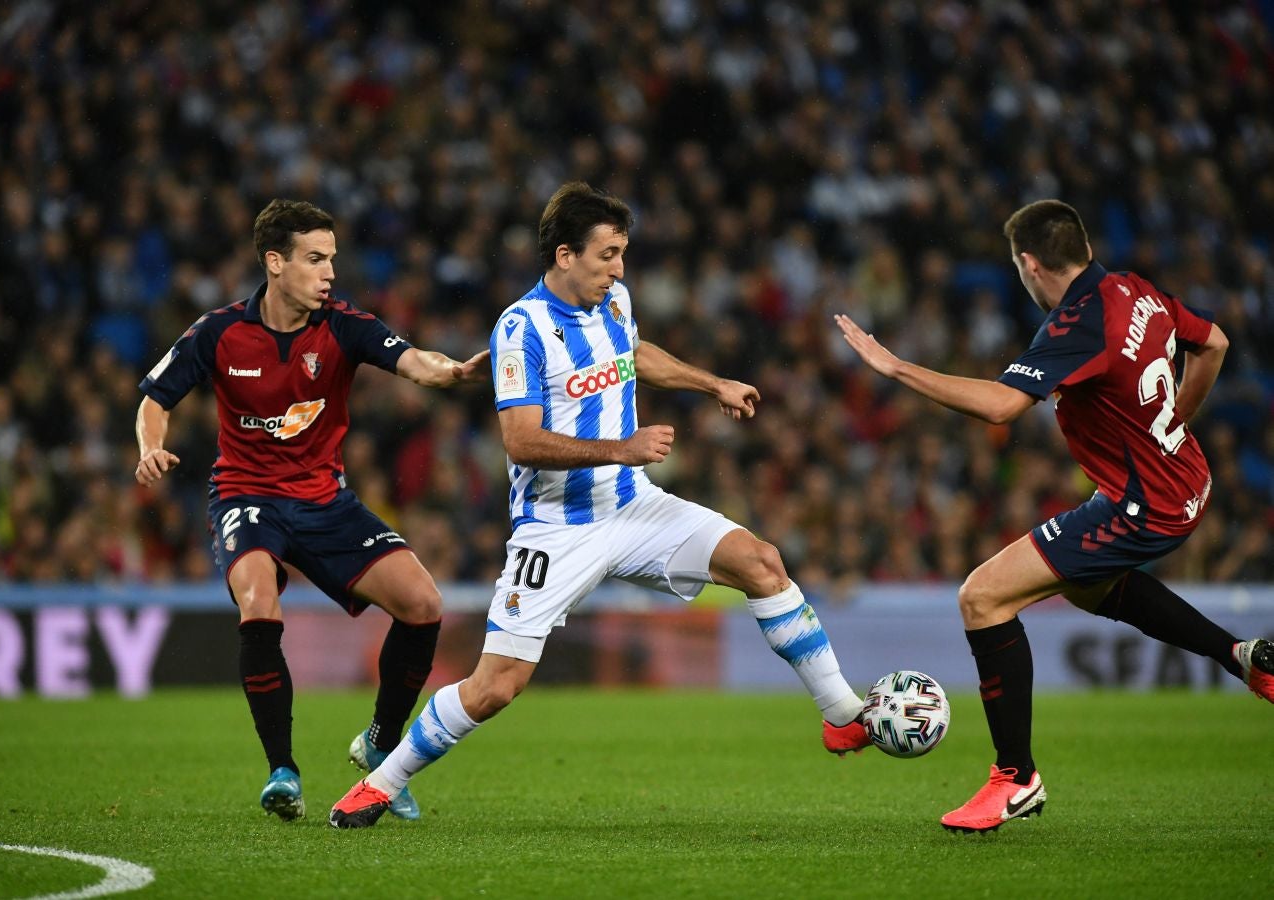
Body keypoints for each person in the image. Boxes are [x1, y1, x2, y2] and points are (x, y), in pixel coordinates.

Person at [328, 181, 869, 829]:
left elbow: (632, 355)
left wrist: (710, 383)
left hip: (633, 505)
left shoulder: (615, 301)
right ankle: (380, 784)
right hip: (556, 527)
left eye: (622, 254)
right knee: (496, 686)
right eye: (608, 254)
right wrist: (622, 446)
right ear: (564, 255)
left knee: (760, 561)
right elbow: (521, 440)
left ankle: (841, 715)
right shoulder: (520, 328)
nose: (619, 268)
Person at [834, 199, 1273, 834]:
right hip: (1186, 479)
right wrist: (1171, 422)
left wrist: (896, 366)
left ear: (1030, 264)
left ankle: (1016, 778)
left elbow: (1001, 407)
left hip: (1143, 503)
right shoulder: (1134, 290)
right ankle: (1243, 656)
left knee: (982, 598)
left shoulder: (1078, 323)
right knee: (1092, 589)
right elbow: (1215, 344)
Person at [135, 199, 487, 821]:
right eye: (315, 259)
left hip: (325, 501)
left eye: (333, 259)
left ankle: (381, 743)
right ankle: (283, 771)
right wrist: (151, 448)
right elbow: (155, 397)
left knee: (423, 604)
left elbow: (413, 361)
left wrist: (451, 370)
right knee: (257, 602)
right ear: (275, 263)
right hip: (247, 496)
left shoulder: (344, 326)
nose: (329, 272)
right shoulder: (218, 331)